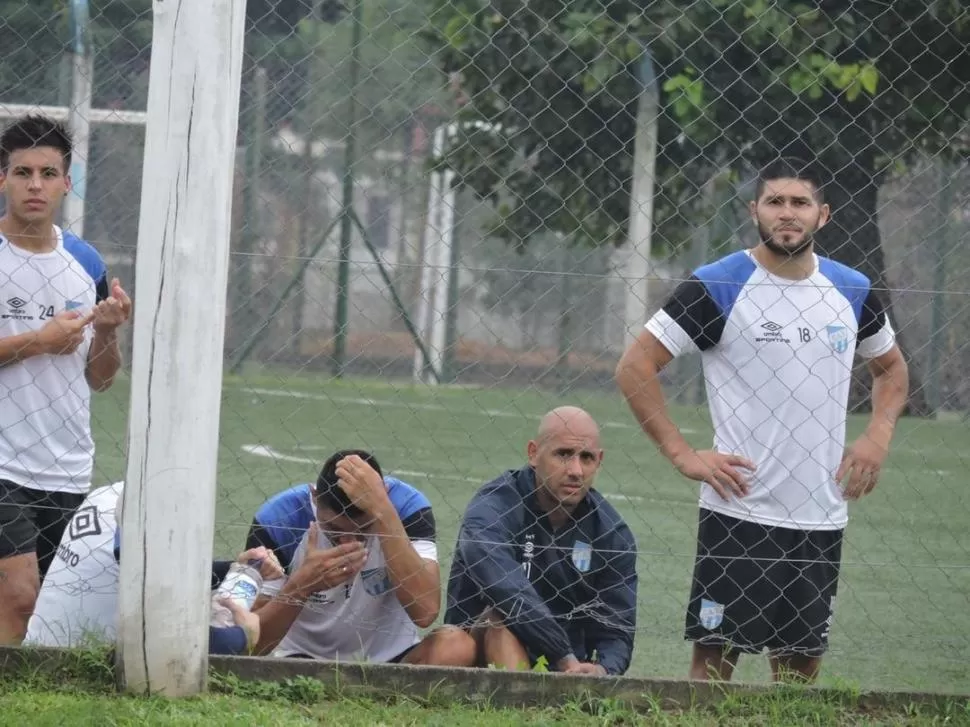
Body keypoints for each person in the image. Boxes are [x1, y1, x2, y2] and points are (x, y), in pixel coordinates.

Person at [615, 157, 909, 683]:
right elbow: (635, 366)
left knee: (799, 672)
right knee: (713, 665)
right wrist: (682, 454)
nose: (787, 214)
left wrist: (877, 436)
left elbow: (891, 369)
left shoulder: (852, 289)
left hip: (821, 514)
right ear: (755, 211)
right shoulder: (718, 285)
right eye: (775, 202)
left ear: (824, 215)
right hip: (740, 510)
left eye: (800, 203)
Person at [0, 115, 132, 644]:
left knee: (47, 608)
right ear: (2, 178)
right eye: (23, 172)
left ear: (66, 182)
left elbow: (101, 380)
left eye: (48, 173)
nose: (36, 185)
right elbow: (47, 343)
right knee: (20, 594)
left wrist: (108, 333)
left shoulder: (85, 261)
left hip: (66, 466)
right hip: (2, 459)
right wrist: (39, 340)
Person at [443, 406, 638, 675]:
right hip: (478, 656)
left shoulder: (611, 533)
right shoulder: (492, 508)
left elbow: (617, 628)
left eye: (587, 458)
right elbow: (505, 589)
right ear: (533, 453)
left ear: (599, 461)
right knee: (498, 620)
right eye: (564, 454)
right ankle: (524, 708)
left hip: (563, 668)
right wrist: (563, 655)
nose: (576, 470)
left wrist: (604, 670)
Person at [246, 449, 473, 666]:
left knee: (455, 645)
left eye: (363, 529)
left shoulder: (406, 507)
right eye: (334, 529)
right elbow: (252, 645)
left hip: (393, 659)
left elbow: (425, 612)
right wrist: (302, 585)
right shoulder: (279, 518)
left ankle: (383, 691)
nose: (349, 543)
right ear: (315, 498)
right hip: (302, 658)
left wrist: (383, 511)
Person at [24, 480, 281, 655]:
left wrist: (235, 568)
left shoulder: (108, 494)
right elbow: (174, 643)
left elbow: (160, 569)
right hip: (82, 675)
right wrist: (243, 636)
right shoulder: (159, 514)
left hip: (36, 657)